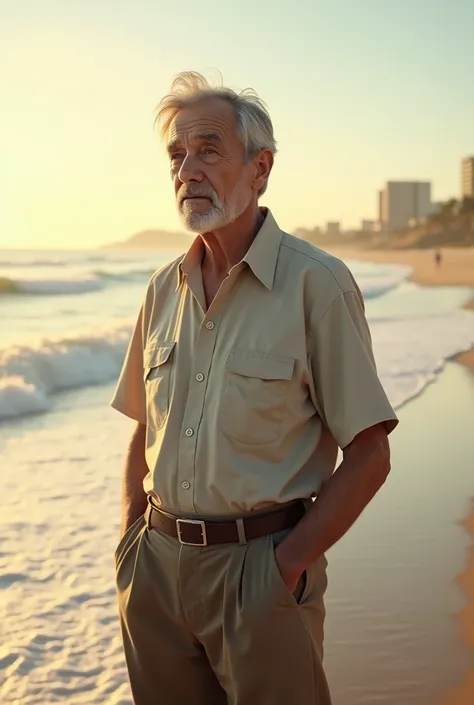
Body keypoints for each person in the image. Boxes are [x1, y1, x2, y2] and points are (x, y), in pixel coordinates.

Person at [111, 71, 399, 705]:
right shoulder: (162, 288)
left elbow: (371, 454)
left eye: (209, 149)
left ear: (260, 167)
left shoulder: (315, 285)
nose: (188, 169)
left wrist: (284, 567)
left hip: (260, 574)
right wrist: (132, 540)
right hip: (156, 570)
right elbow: (144, 427)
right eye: (176, 155)